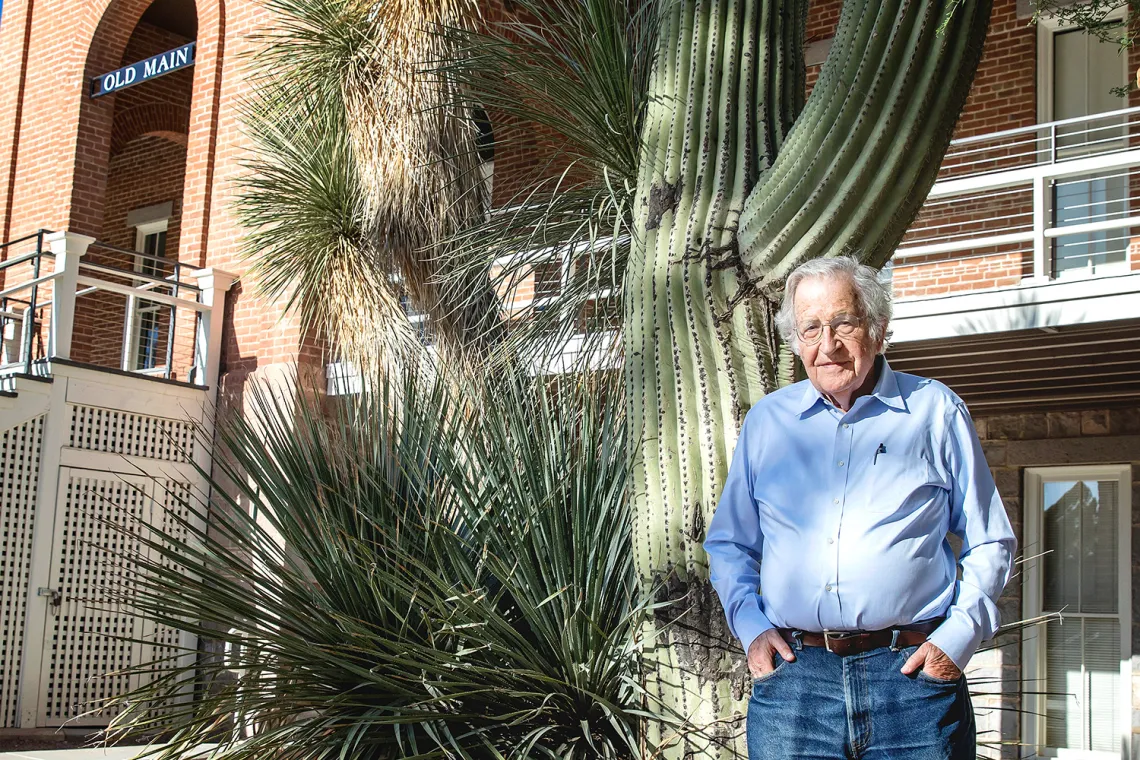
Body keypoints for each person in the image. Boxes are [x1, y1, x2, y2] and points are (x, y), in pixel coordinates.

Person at [704, 256, 1015, 760]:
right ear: (796, 339)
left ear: (877, 328)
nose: (827, 345)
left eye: (843, 323)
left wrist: (955, 641)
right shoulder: (767, 422)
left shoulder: (934, 410)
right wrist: (752, 630)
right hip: (795, 686)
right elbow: (730, 543)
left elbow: (990, 539)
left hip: (912, 680)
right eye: (810, 328)